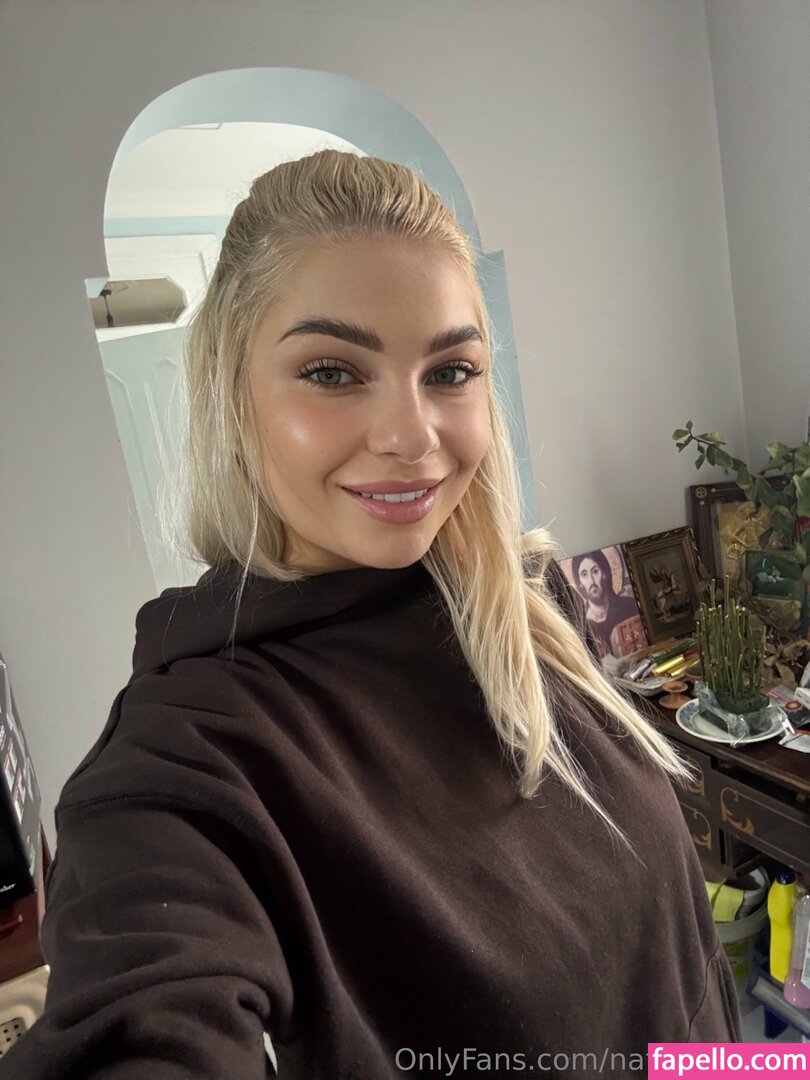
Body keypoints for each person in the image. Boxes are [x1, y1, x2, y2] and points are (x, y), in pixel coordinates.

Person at [0, 151, 739, 1080]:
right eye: (332, 372)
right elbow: (143, 1018)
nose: (411, 436)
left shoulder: (523, 609)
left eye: (451, 370)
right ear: (233, 394)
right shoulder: (188, 760)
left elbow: (681, 975)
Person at [572, 549, 644, 659]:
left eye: (595, 571)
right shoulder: (582, 625)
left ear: (604, 574)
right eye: (584, 574)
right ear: (580, 583)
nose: (592, 581)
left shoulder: (629, 606)